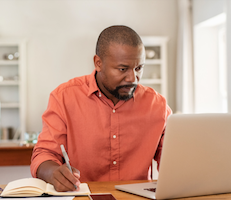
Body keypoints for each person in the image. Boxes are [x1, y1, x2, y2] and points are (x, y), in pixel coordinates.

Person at [30, 25, 172, 192]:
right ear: (98, 63)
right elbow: (44, 154)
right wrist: (53, 172)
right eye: (122, 69)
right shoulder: (64, 97)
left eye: (138, 68)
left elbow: (174, 162)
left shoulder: (158, 106)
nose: (133, 78)